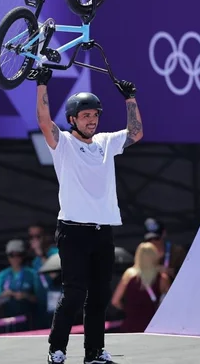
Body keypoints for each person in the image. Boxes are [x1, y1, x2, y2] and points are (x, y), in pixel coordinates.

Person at [34, 67, 143, 364]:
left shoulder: (106, 142)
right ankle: (57, 349)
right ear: (72, 120)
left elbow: (136, 133)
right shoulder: (64, 144)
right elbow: (44, 121)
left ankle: (94, 352)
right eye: (85, 116)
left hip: (102, 230)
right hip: (73, 231)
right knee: (73, 293)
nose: (92, 120)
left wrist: (130, 99)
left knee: (98, 296)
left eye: (95, 115)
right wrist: (42, 83)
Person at [109, 242, 170, 333]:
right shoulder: (162, 278)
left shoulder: (129, 275)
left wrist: (128, 309)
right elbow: (170, 302)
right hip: (152, 326)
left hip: (130, 326)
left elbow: (115, 301)